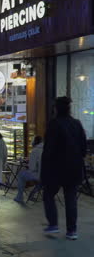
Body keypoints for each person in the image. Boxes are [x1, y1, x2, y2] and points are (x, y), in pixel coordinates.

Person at [41, 97, 87, 240]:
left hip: (55, 168)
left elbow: (48, 149)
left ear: (56, 109)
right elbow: (83, 148)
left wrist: (44, 170)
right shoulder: (77, 124)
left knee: (48, 195)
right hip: (73, 168)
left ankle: (53, 224)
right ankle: (72, 231)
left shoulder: (53, 124)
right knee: (71, 199)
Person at [14, 136, 43, 203]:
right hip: (48, 176)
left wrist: (27, 163)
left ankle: (19, 197)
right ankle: (32, 194)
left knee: (21, 174)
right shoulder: (46, 149)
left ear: (34, 142)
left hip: (38, 175)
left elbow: (32, 167)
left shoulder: (35, 150)